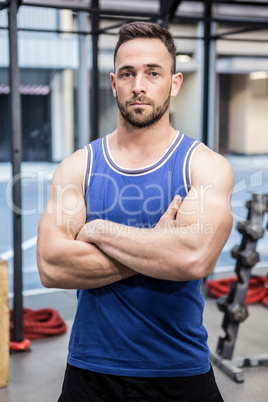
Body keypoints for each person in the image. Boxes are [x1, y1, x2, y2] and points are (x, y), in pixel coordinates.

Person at [37, 21, 234, 402]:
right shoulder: (79, 166)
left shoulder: (205, 166)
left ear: (174, 83)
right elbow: (52, 266)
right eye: (127, 73)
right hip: (90, 372)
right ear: (114, 83)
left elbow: (192, 258)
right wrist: (160, 245)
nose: (138, 85)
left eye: (152, 72)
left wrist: (98, 231)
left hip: (179, 371)